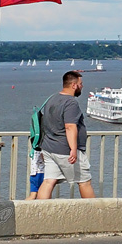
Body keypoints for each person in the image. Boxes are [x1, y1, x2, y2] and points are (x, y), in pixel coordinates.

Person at [37, 71, 96, 200]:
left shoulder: (52, 98)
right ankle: (95, 215)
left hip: (49, 148)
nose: (82, 86)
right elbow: (70, 126)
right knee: (84, 182)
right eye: (81, 84)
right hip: (65, 150)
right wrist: (73, 150)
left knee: (48, 181)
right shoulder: (71, 103)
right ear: (74, 85)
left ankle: (39, 212)